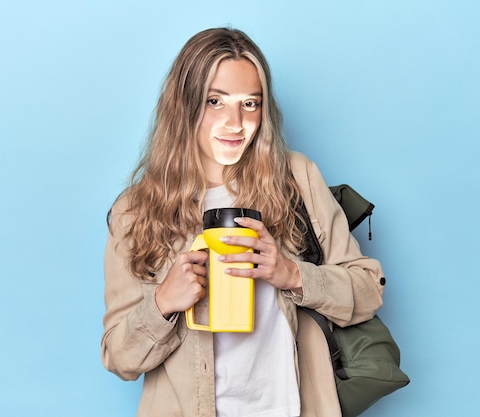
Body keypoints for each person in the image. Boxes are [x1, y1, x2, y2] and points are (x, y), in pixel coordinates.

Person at [101, 27, 386, 417]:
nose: (235, 123)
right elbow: (119, 358)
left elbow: (369, 290)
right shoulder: (135, 210)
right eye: (215, 101)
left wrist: (291, 274)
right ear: (183, 105)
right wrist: (163, 303)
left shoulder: (295, 179)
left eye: (250, 104)